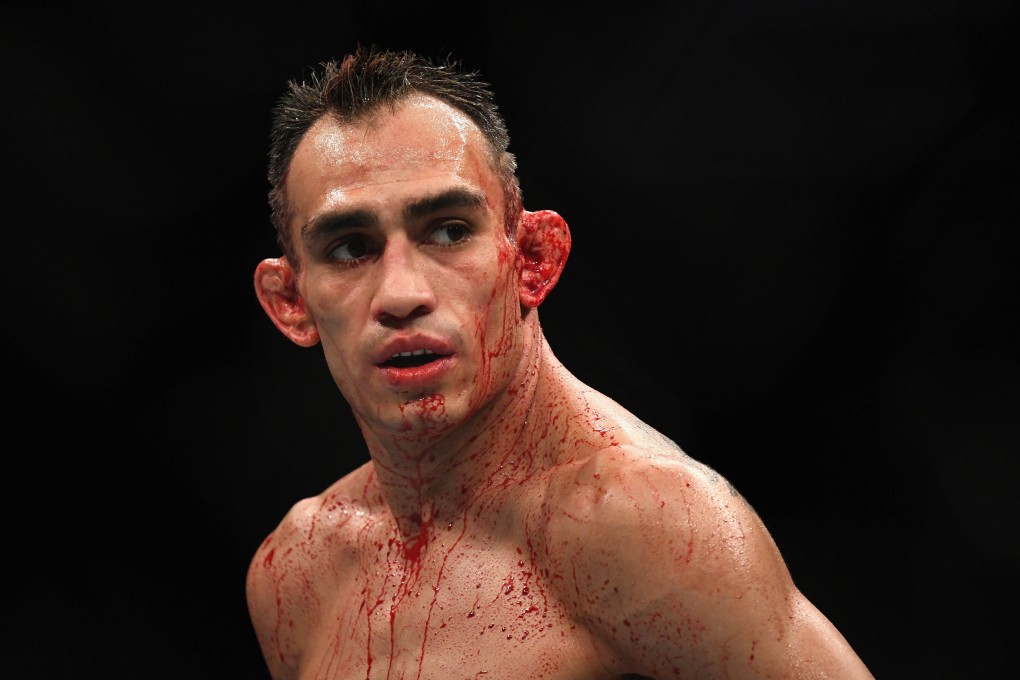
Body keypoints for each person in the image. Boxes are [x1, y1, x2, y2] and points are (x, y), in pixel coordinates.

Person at [247, 45, 874, 680]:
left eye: (449, 230)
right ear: (291, 302)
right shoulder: (300, 570)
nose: (402, 294)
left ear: (533, 260)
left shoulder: (643, 525)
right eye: (351, 247)